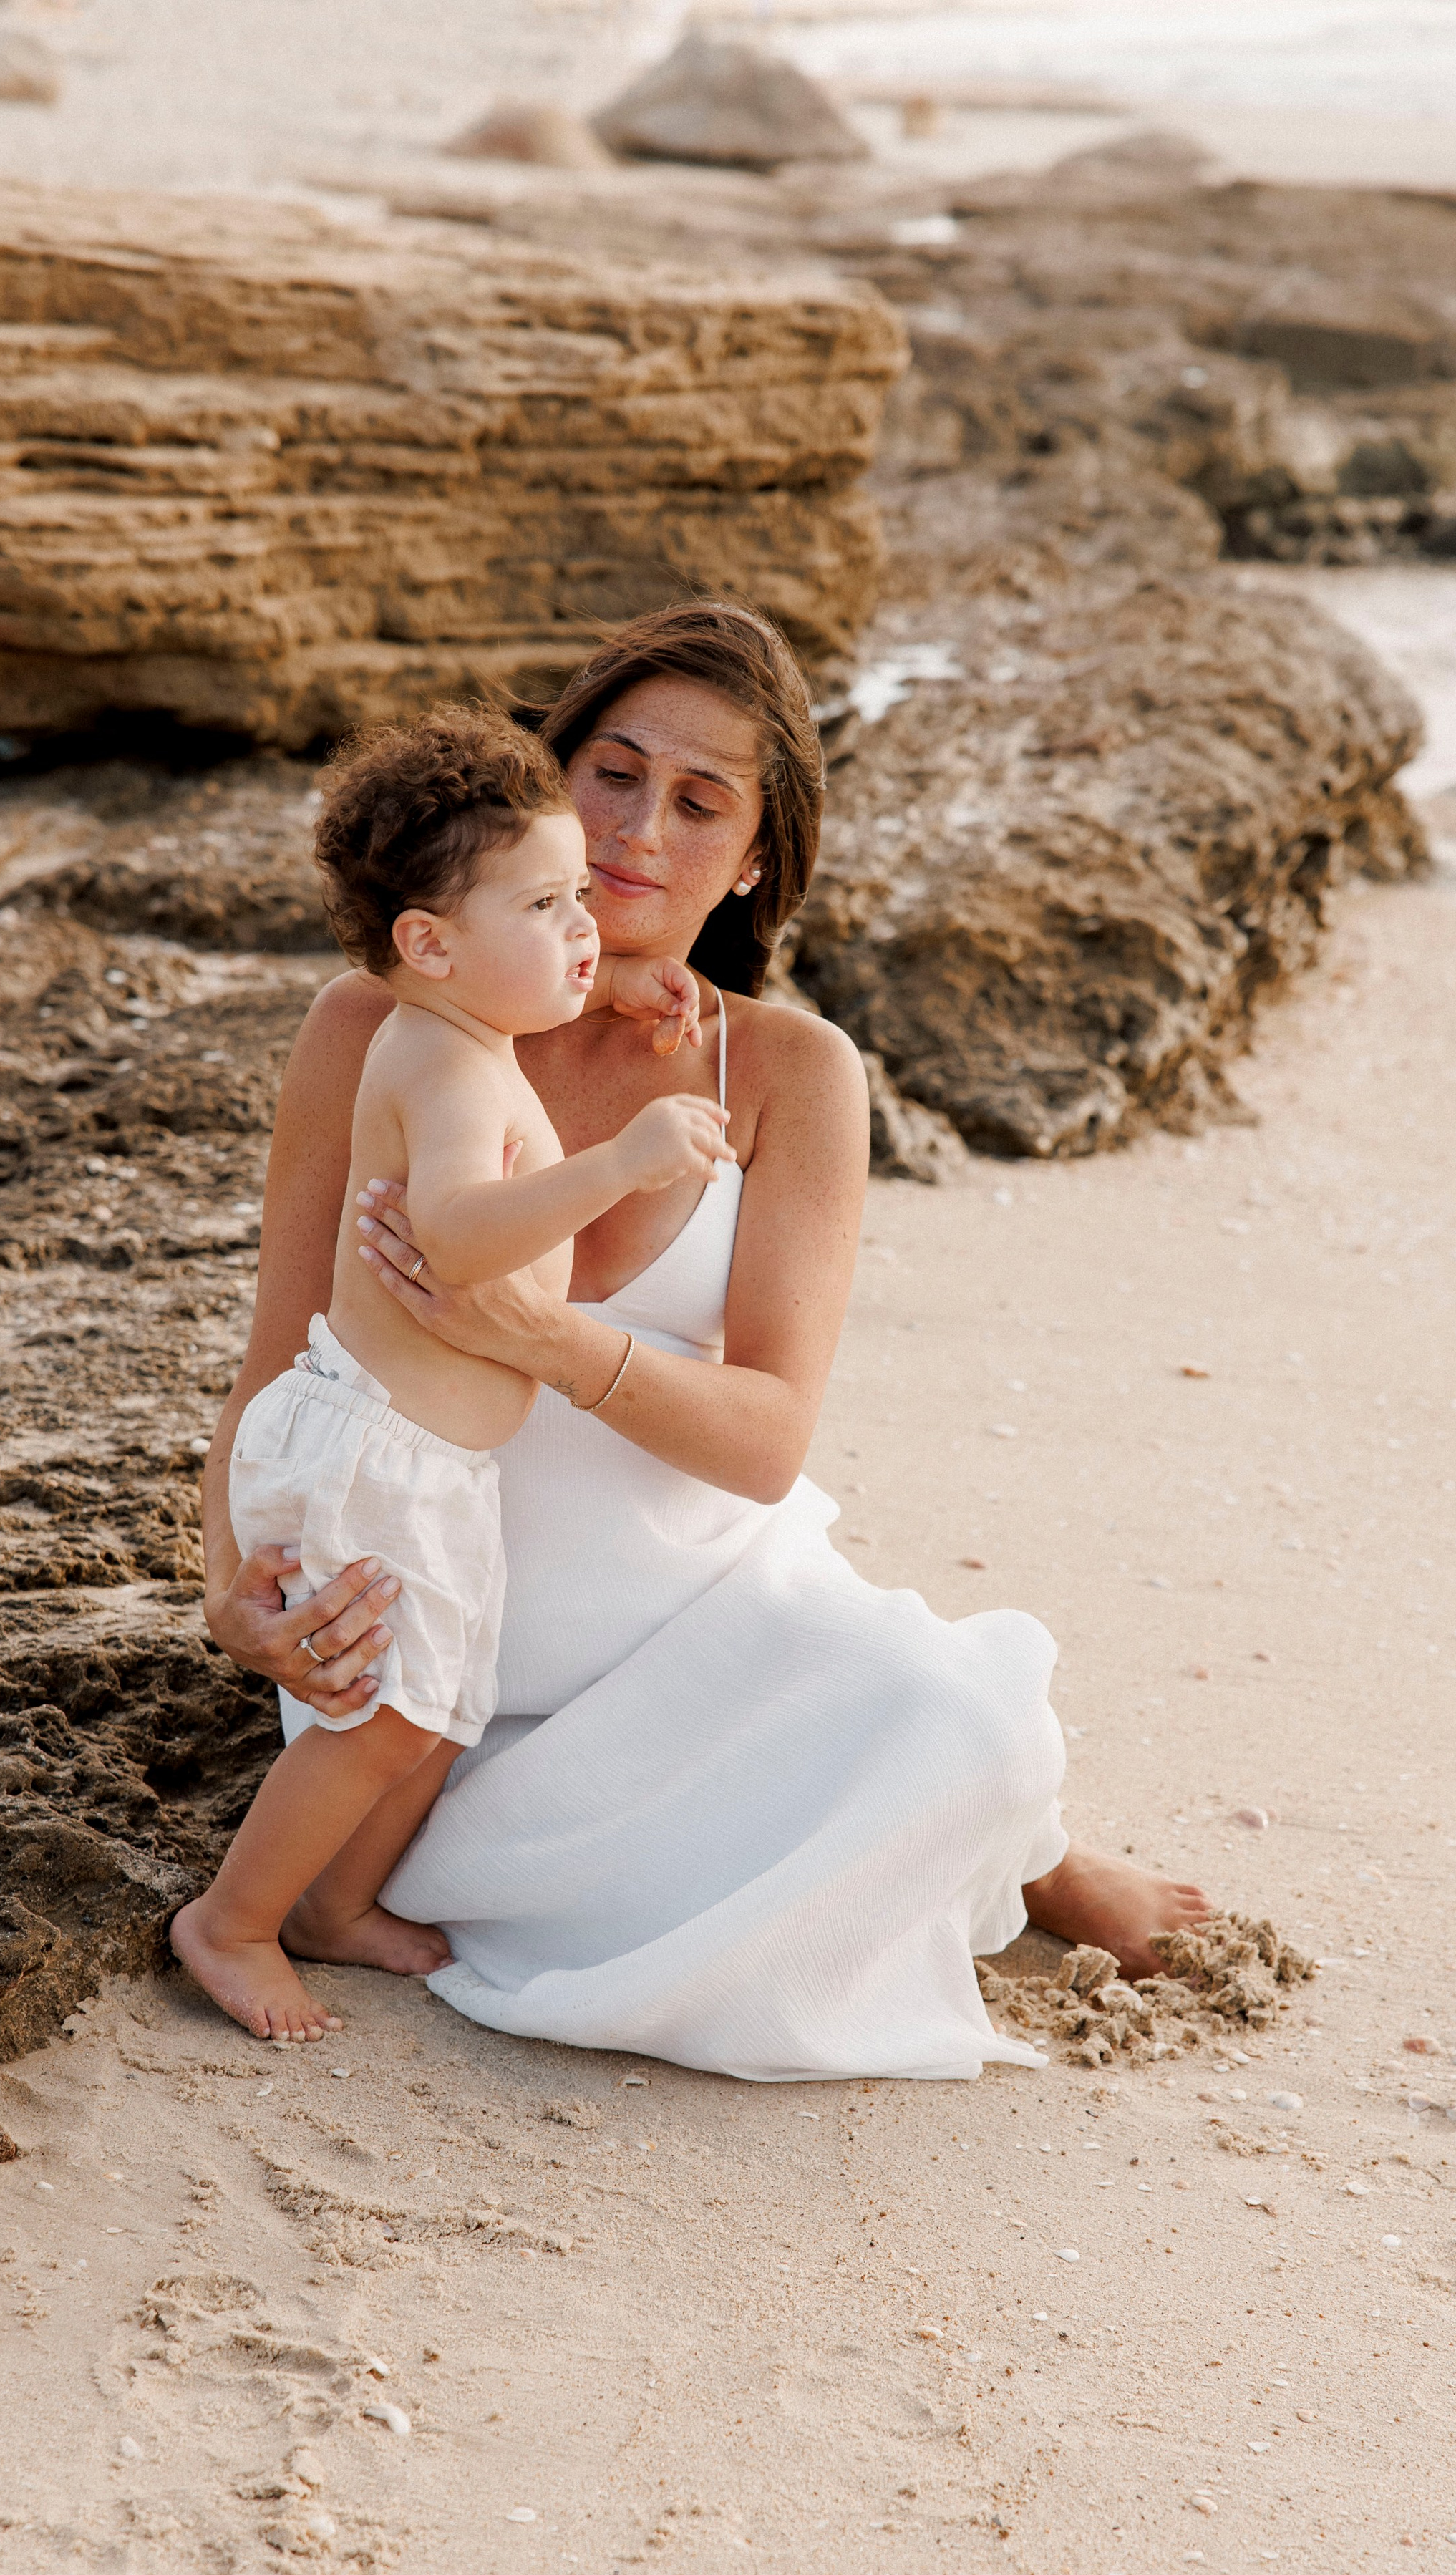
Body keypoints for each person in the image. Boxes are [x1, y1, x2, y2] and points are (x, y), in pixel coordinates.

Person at [201, 600, 1210, 2081]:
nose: (636, 831)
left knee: (963, 1739)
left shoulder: (791, 1074)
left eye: (698, 803)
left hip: (700, 1616)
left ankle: (1029, 1846)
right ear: (544, 787)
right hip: (422, 1639)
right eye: (610, 774)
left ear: (749, 860)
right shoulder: (381, 1021)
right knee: (437, 1857)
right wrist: (234, 1598)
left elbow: (763, 1442)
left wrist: (542, 1342)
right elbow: (275, 1358)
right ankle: (988, 1844)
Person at [170, 710, 728, 2042]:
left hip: (428, 1456)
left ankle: (334, 1908)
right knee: (379, 1714)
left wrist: (608, 990)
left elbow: (524, 986)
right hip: (382, 1450)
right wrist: (624, 1162)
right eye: (549, 903)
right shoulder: (438, 1061)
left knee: (438, 1711)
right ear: (428, 944)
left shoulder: (462, 1031)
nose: (585, 926)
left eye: (580, 897)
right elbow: (458, 1237)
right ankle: (234, 1920)